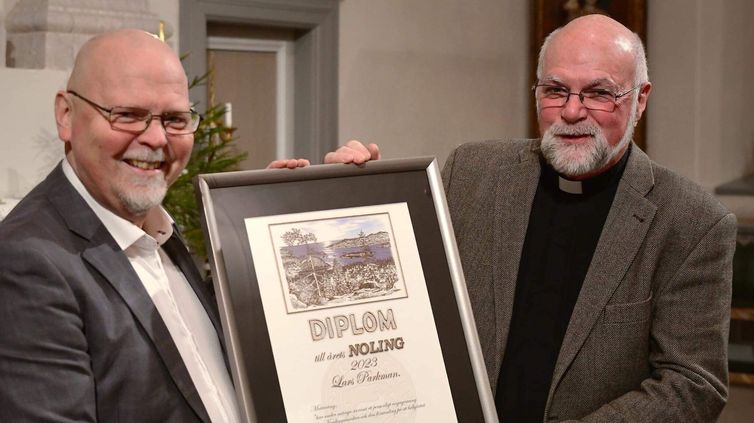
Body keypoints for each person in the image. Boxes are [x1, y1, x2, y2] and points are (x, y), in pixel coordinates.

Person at [326, 15, 737, 422]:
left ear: (640, 99)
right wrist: (336, 201)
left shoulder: (693, 222)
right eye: (555, 90)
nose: (572, 112)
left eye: (599, 93)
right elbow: (399, 295)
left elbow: (692, 383)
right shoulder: (472, 173)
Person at [0, 30, 306, 422]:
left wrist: (307, 216)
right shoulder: (26, 261)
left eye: (175, 119)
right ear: (66, 115)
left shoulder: (160, 232)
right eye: (127, 114)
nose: (158, 138)